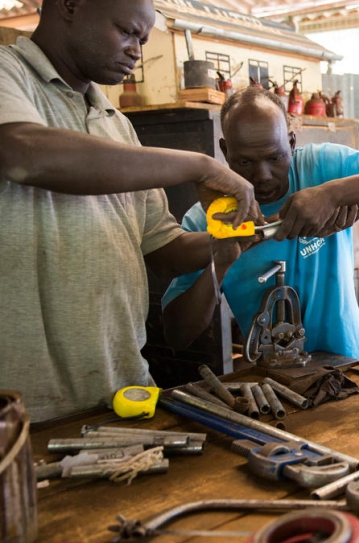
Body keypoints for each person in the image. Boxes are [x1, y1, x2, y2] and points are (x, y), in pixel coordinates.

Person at [0, 0, 259, 422]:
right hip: (26, 409)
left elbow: (162, 249)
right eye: (126, 31)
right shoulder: (8, 74)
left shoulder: (116, 124)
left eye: (143, 38)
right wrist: (200, 164)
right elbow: (24, 154)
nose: (137, 50)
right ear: (70, 6)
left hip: (125, 390)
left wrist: (228, 241)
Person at [162, 87, 359, 365]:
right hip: (277, 386)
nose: (262, 176)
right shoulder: (209, 219)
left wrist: (332, 194)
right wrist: (219, 263)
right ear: (225, 151)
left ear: (292, 143)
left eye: (275, 157)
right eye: (245, 161)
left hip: (356, 368)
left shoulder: (321, 168)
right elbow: (177, 335)